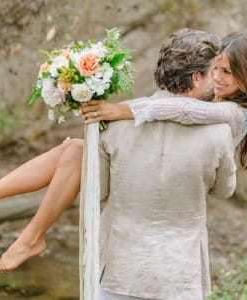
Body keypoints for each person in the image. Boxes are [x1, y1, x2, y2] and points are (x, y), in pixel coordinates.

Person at [0, 30, 247, 273]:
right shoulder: (219, 100)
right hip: (156, 190)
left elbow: (184, 110)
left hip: (173, 194)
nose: (217, 78)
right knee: (73, 150)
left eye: (227, 72)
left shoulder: (232, 114)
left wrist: (122, 110)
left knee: (75, 152)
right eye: (215, 69)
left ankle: (25, 229)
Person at [96, 28, 234, 299]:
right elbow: (224, 190)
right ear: (196, 77)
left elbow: (98, 192)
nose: (216, 81)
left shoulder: (114, 122)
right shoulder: (219, 131)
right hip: (179, 276)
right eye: (213, 73)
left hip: (119, 272)